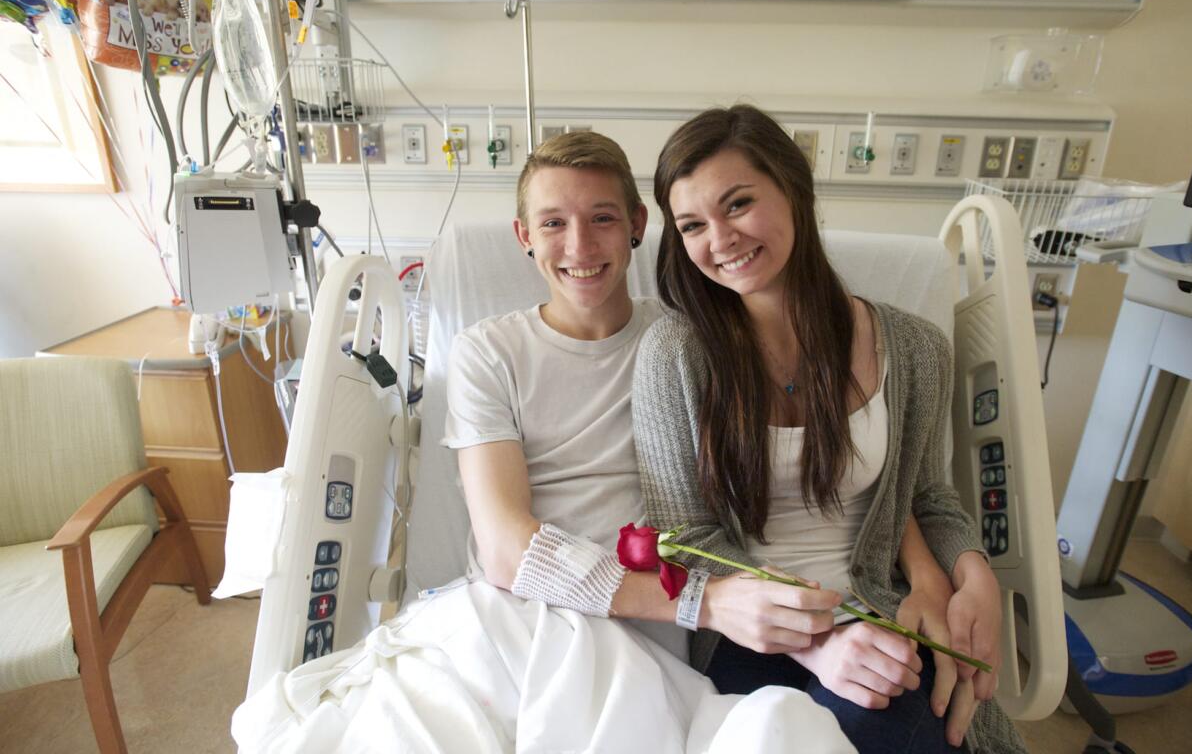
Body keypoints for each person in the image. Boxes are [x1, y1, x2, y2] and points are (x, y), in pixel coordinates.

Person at [232, 131, 857, 753]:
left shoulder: (689, 343)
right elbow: (507, 549)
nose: (579, 246)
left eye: (602, 218)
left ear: (638, 224)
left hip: (642, 640)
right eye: (553, 222)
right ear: (524, 236)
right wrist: (704, 603)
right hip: (509, 620)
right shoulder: (489, 353)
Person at [633, 105, 1028, 754]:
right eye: (693, 225)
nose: (720, 239)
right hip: (748, 630)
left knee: (903, 705)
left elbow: (929, 498)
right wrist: (821, 638)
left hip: (880, 604)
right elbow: (684, 539)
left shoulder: (914, 349)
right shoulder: (675, 356)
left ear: (796, 188)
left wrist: (973, 571)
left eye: (738, 204)